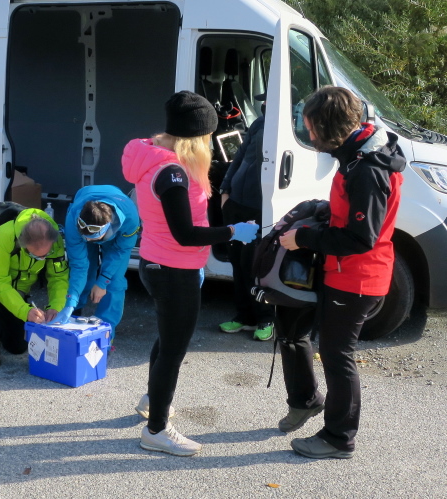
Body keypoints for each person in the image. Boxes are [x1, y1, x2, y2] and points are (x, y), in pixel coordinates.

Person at [122, 90, 258, 456]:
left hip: (160, 263)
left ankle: (152, 401)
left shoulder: (156, 157)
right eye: (208, 136)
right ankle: (156, 430)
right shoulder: (171, 174)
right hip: (173, 270)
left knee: (168, 340)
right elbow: (185, 234)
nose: (211, 143)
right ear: (195, 137)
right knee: (173, 351)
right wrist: (234, 231)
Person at [277, 86, 405, 459]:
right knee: (327, 349)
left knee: (337, 356)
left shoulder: (366, 168)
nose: (309, 135)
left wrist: (303, 238)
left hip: (357, 277)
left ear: (328, 126)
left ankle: (338, 438)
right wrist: (323, 211)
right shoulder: (357, 154)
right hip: (347, 273)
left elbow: (361, 237)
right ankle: (312, 405)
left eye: (311, 128)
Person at [0, 209, 69, 368]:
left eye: (46, 255)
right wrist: (24, 311)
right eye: (36, 256)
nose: (42, 259)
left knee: (17, 347)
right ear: (23, 243)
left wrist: (55, 306)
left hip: (16, 289)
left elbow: (58, 278)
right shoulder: (4, 235)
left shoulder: (56, 239)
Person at [218, 93, 275, 341]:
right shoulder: (259, 123)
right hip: (236, 205)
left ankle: (265, 319)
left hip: (259, 208)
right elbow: (239, 157)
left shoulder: (289, 127)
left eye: (268, 100)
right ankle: (244, 317)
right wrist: (225, 190)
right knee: (237, 263)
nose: (264, 104)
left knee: (254, 265)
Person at [51, 185, 140, 341]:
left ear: (108, 227)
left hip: (117, 238)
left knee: (114, 282)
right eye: (85, 237)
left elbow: (120, 251)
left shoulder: (130, 219)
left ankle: (106, 334)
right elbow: (79, 265)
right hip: (84, 213)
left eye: (93, 237)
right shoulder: (73, 219)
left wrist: (103, 282)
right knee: (87, 272)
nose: (88, 240)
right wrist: (70, 301)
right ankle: (73, 315)